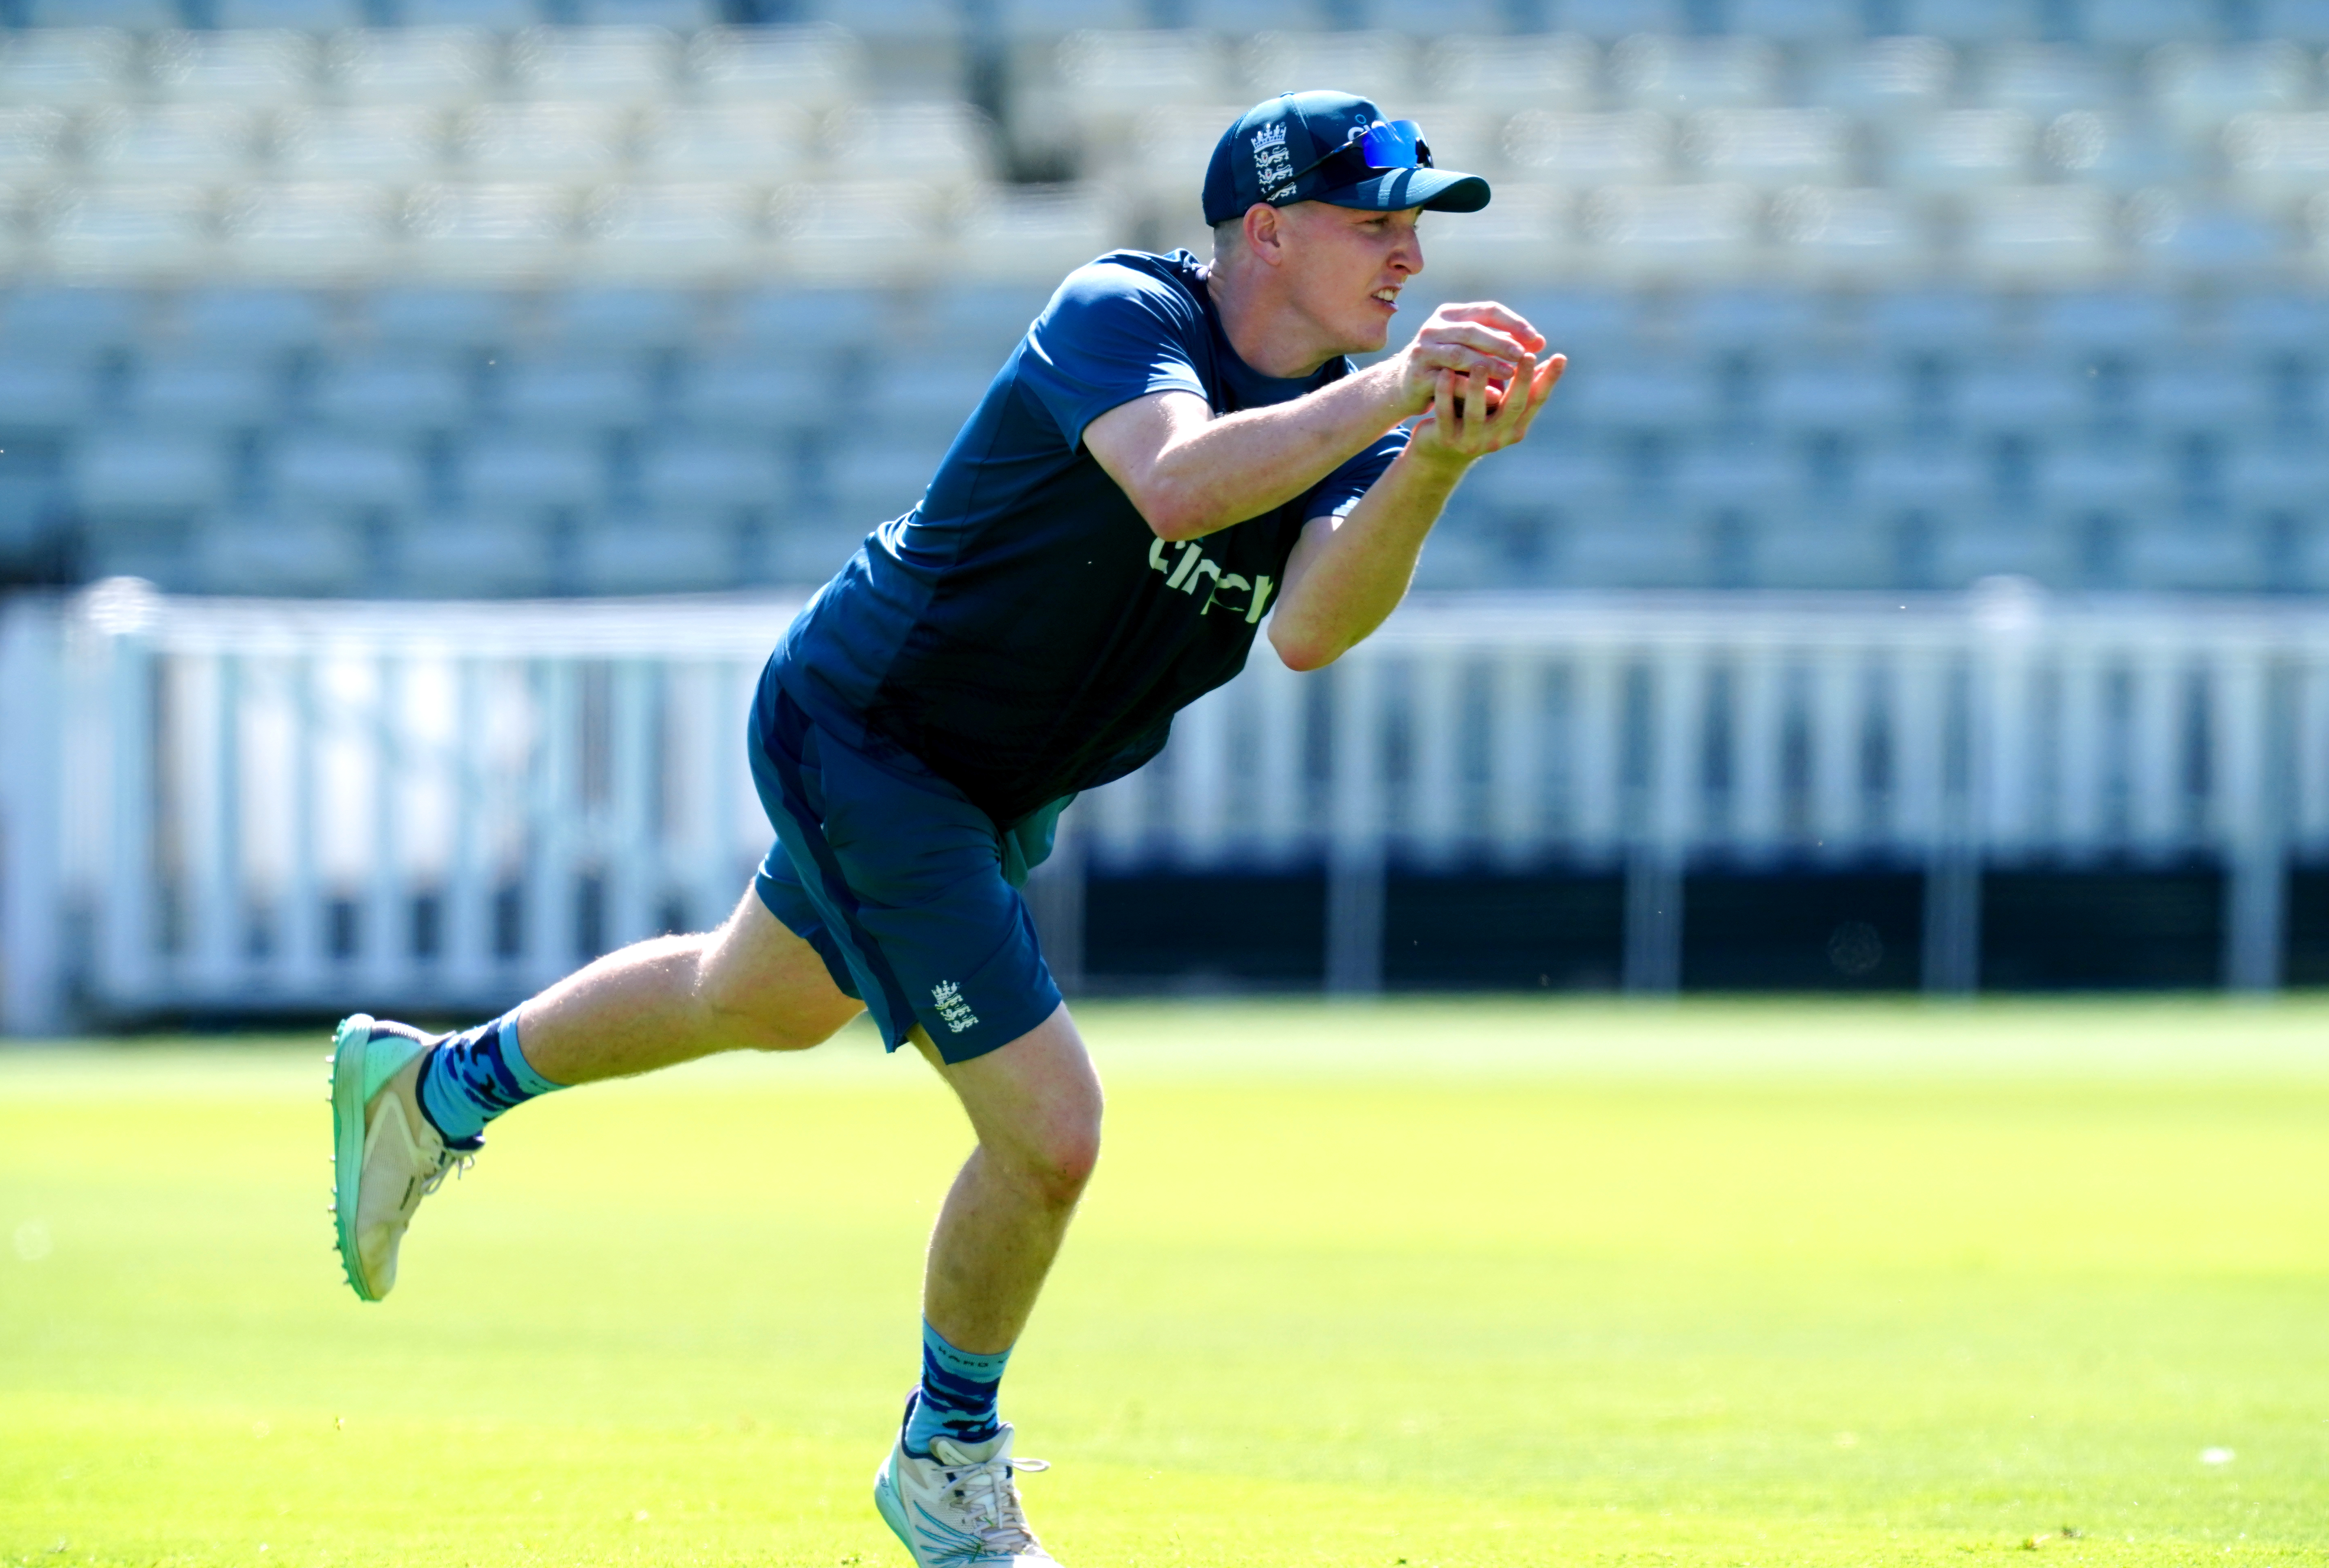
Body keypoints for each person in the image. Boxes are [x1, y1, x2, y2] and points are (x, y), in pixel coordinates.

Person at [329, 89, 1564, 1568]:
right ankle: (946, 1458)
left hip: (982, 784)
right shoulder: (1120, 309)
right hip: (871, 734)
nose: (1410, 261)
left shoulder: (1347, 417)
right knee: (1052, 1135)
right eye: (1379, 224)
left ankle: (434, 1092)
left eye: (1418, 227)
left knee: (760, 999)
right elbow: (1177, 487)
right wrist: (1386, 399)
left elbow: (1309, 629)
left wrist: (1429, 460)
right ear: (1266, 230)